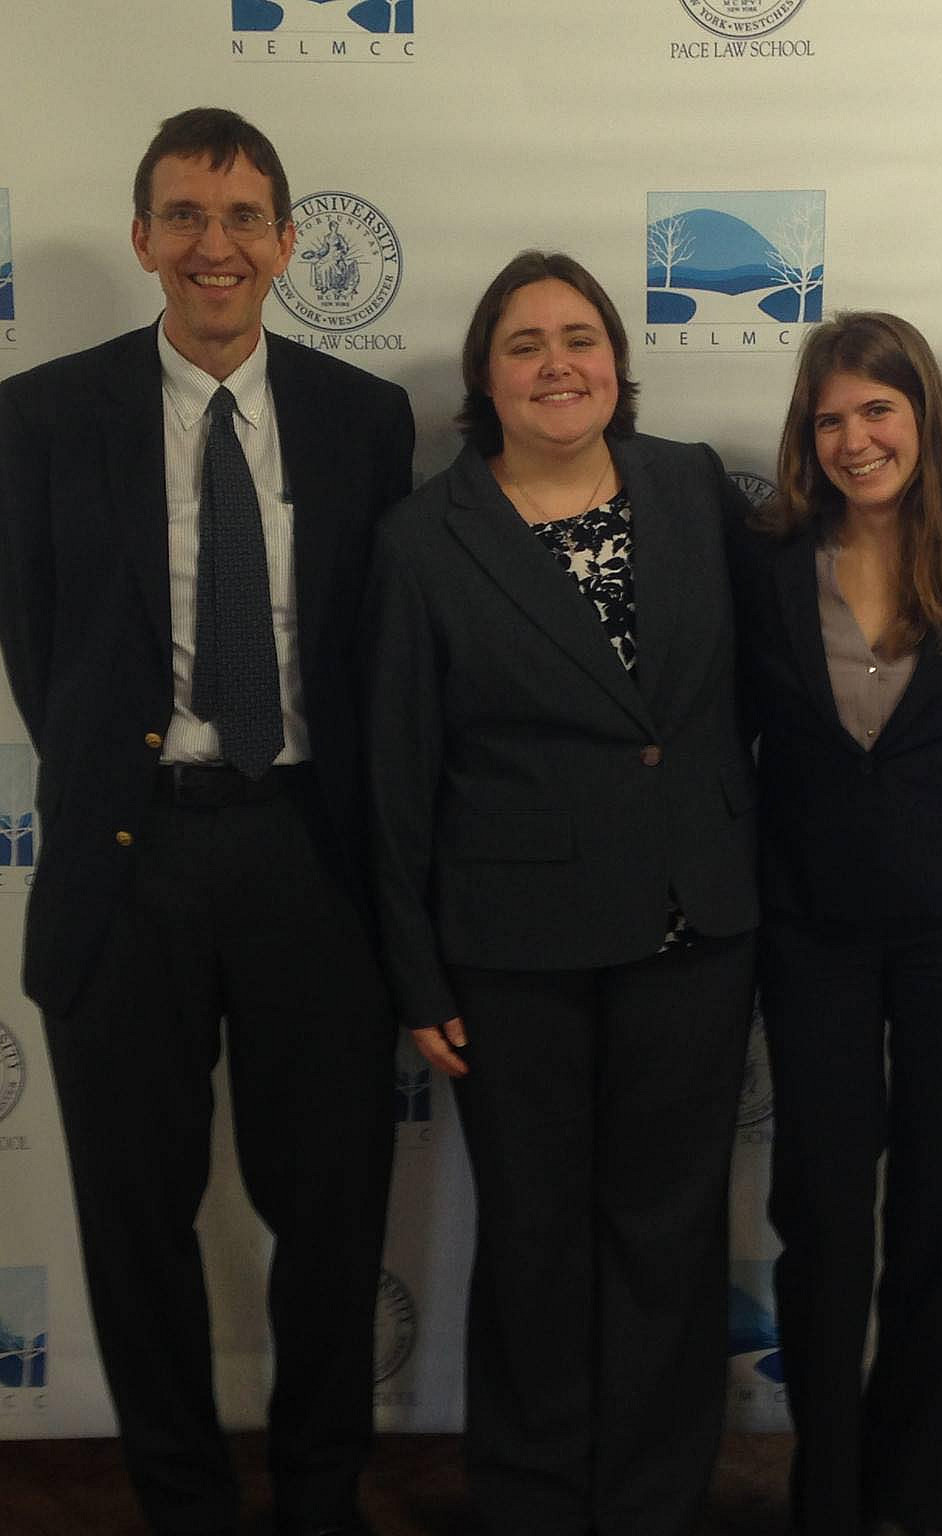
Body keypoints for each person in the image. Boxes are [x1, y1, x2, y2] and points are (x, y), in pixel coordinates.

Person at [0, 107, 413, 1536]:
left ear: (290, 243)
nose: (214, 246)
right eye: (184, 216)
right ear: (141, 240)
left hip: (314, 859)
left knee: (334, 1216)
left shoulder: (367, 419)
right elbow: (39, 646)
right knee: (133, 1223)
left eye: (243, 219)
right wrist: (133, 778)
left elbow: (372, 650)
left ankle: (318, 1500)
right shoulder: (41, 415)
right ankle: (180, 1502)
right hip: (134, 860)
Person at [364, 250, 759, 1536]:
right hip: (514, 955)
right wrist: (416, 974)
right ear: (486, 372)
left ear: (618, 361)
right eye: (525, 343)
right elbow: (397, 773)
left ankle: (651, 1500)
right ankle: (533, 1500)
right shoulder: (429, 538)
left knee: (670, 1236)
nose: (557, 364)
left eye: (580, 337)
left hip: (693, 932)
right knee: (534, 1241)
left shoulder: (690, 485)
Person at [728, 313, 942, 1536]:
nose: (855, 439)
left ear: (921, 416)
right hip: (812, 932)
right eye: (831, 418)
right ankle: (830, 1494)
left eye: (877, 411)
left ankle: (922, 1492)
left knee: (941, 1214)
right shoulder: (766, 561)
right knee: (825, 1217)